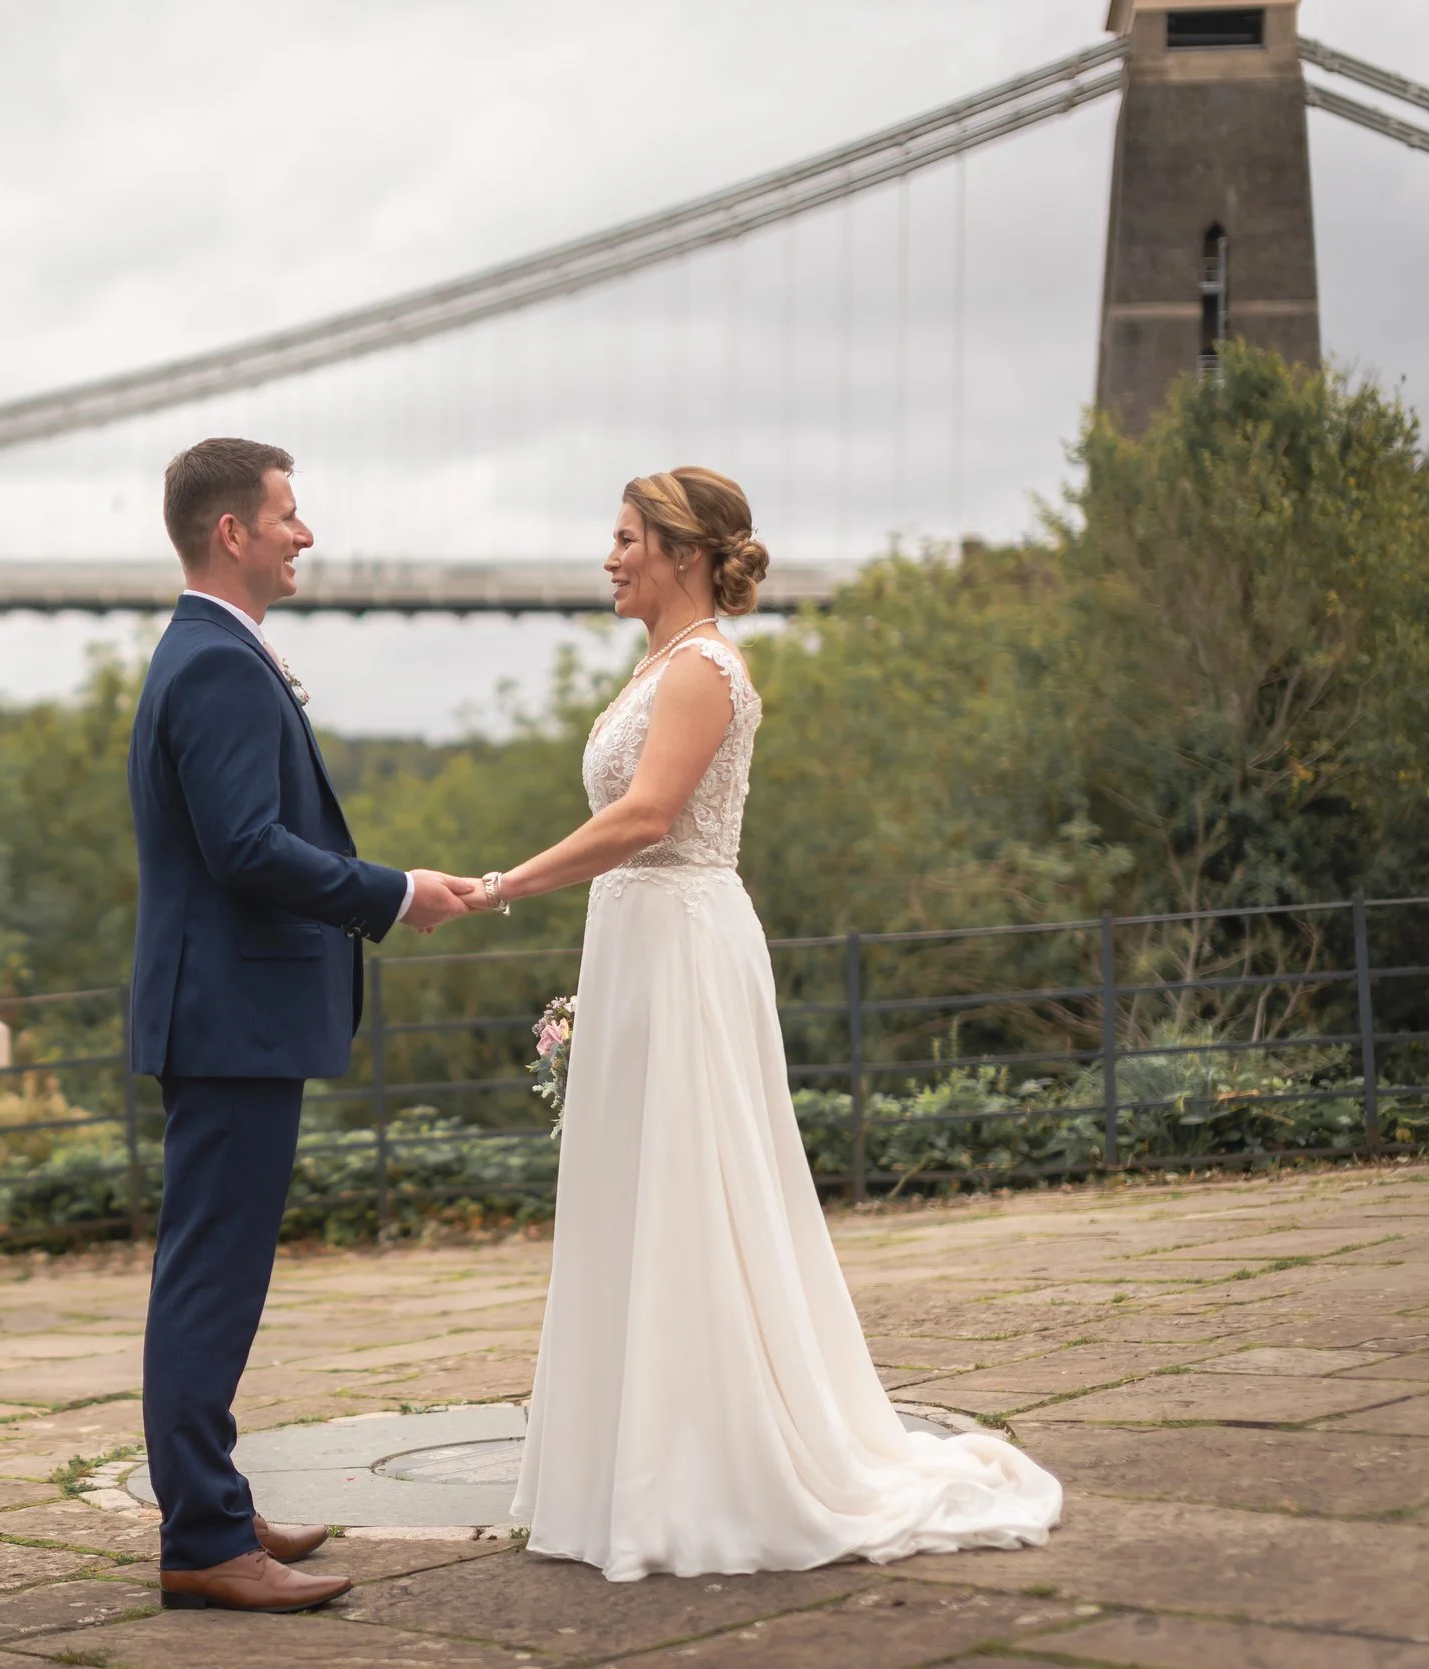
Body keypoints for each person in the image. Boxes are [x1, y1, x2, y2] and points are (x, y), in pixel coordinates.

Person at [469, 466, 1062, 1581]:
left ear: (683, 553)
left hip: (683, 946)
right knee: (642, 1191)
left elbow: (647, 817)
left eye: (626, 536)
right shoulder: (655, 664)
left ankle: (707, 1468)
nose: (609, 555)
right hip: (640, 942)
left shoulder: (700, 670)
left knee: (697, 1187)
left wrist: (503, 884)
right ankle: (628, 1468)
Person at [128, 437, 477, 1613]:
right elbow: (244, 849)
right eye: (288, 512)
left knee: (216, 1271)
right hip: (230, 1017)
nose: (304, 531)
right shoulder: (220, 663)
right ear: (232, 531)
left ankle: (210, 1501)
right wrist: (392, 892)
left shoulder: (210, 649)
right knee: (209, 1282)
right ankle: (205, 1541)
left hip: (226, 1014)